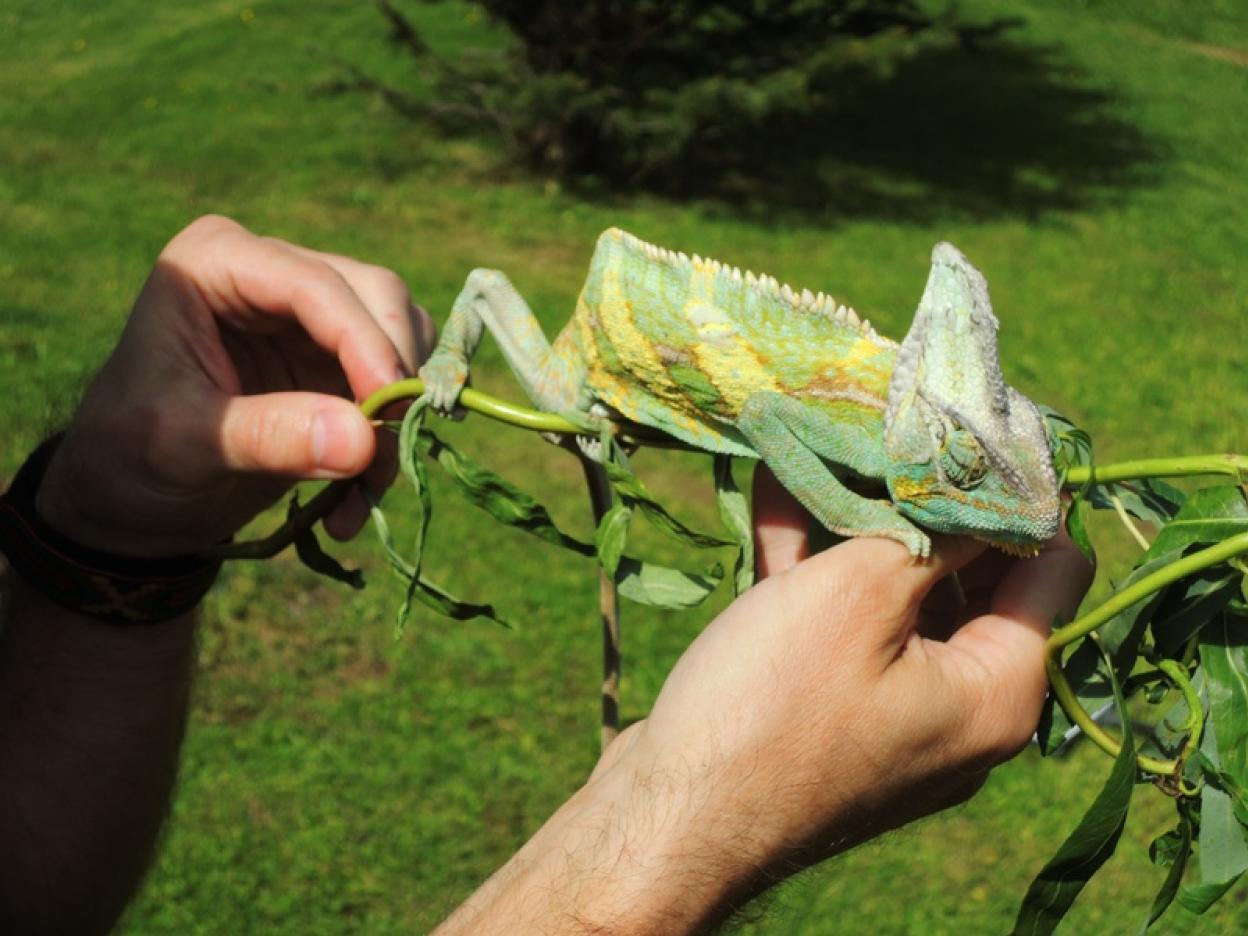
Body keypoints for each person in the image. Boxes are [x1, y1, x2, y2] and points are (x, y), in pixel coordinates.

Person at [0, 216, 1091, 935]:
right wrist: (875, 519)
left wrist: (103, 537)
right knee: (562, 387)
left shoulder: (886, 403)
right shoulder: (874, 426)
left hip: (103, 558)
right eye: (953, 461)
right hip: (610, 356)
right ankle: (479, 315)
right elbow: (763, 417)